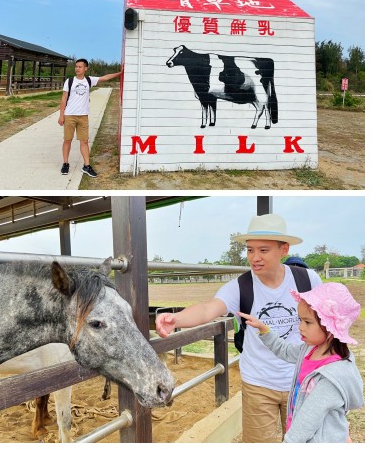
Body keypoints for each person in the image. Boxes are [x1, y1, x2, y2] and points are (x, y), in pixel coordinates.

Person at [156, 213, 323, 443]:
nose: (255, 257)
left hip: (302, 379)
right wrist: (176, 319)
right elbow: (208, 309)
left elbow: (327, 323)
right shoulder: (240, 286)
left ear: (284, 249)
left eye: (263, 250)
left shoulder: (308, 280)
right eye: (250, 250)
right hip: (258, 382)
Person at [239, 282, 363, 442]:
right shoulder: (309, 350)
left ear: (330, 327)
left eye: (307, 322)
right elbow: (285, 351)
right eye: (300, 320)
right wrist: (265, 330)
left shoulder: (330, 377)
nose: (300, 327)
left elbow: (307, 422)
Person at [57, 59, 122, 178]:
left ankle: (86, 166)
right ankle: (65, 163)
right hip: (69, 115)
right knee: (67, 140)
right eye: (76, 67)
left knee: (84, 141)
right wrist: (61, 115)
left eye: (80, 67)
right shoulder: (69, 81)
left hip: (83, 116)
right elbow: (63, 98)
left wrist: (120, 73)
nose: (77, 69)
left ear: (85, 68)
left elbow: (105, 78)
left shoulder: (89, 80)